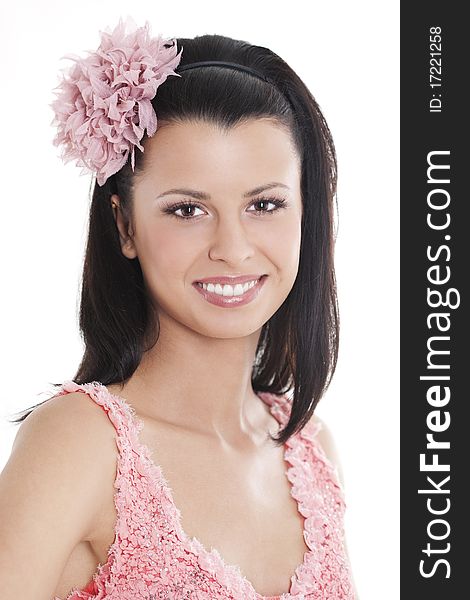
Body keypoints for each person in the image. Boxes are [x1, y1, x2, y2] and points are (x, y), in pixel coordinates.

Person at [0, 16, 358, 600]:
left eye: (265, 204)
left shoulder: (311, 448)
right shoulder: (81, 444)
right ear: (124, 225)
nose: (233, 248)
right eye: (188, 210)